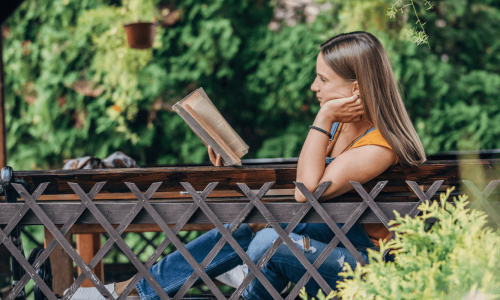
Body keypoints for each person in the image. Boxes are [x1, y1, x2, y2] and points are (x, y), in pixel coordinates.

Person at [69, 31, 426, 300]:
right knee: (244, 226)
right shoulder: (341, 129)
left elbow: (306, 193)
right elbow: (309, 190)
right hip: (334, 239)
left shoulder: (380, 146)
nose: (313, 86)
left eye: (323, 79)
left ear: (357, 89)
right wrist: (232, 169)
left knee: (266, 242)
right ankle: (125, 291)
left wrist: (325, 114)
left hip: (369, 269)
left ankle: (238, 269)